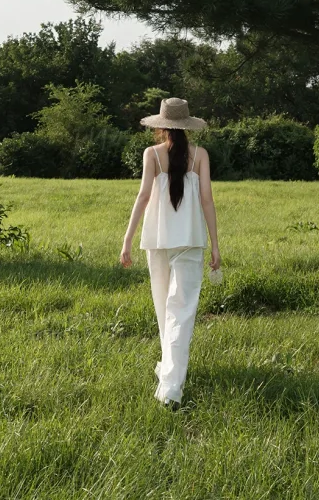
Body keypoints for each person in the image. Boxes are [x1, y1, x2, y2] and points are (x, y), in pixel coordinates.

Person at [119, 96, 221, 408]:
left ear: (162, 127)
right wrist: (215, 245)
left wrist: (127, 241)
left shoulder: (151, 154)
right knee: (181, 312)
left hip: (157, 241)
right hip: (190, 241)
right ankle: (171, 382)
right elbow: (207, 201)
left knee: (166, 311)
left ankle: (171, 381)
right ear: (187, 126)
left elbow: (143, 196)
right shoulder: (200, 155)